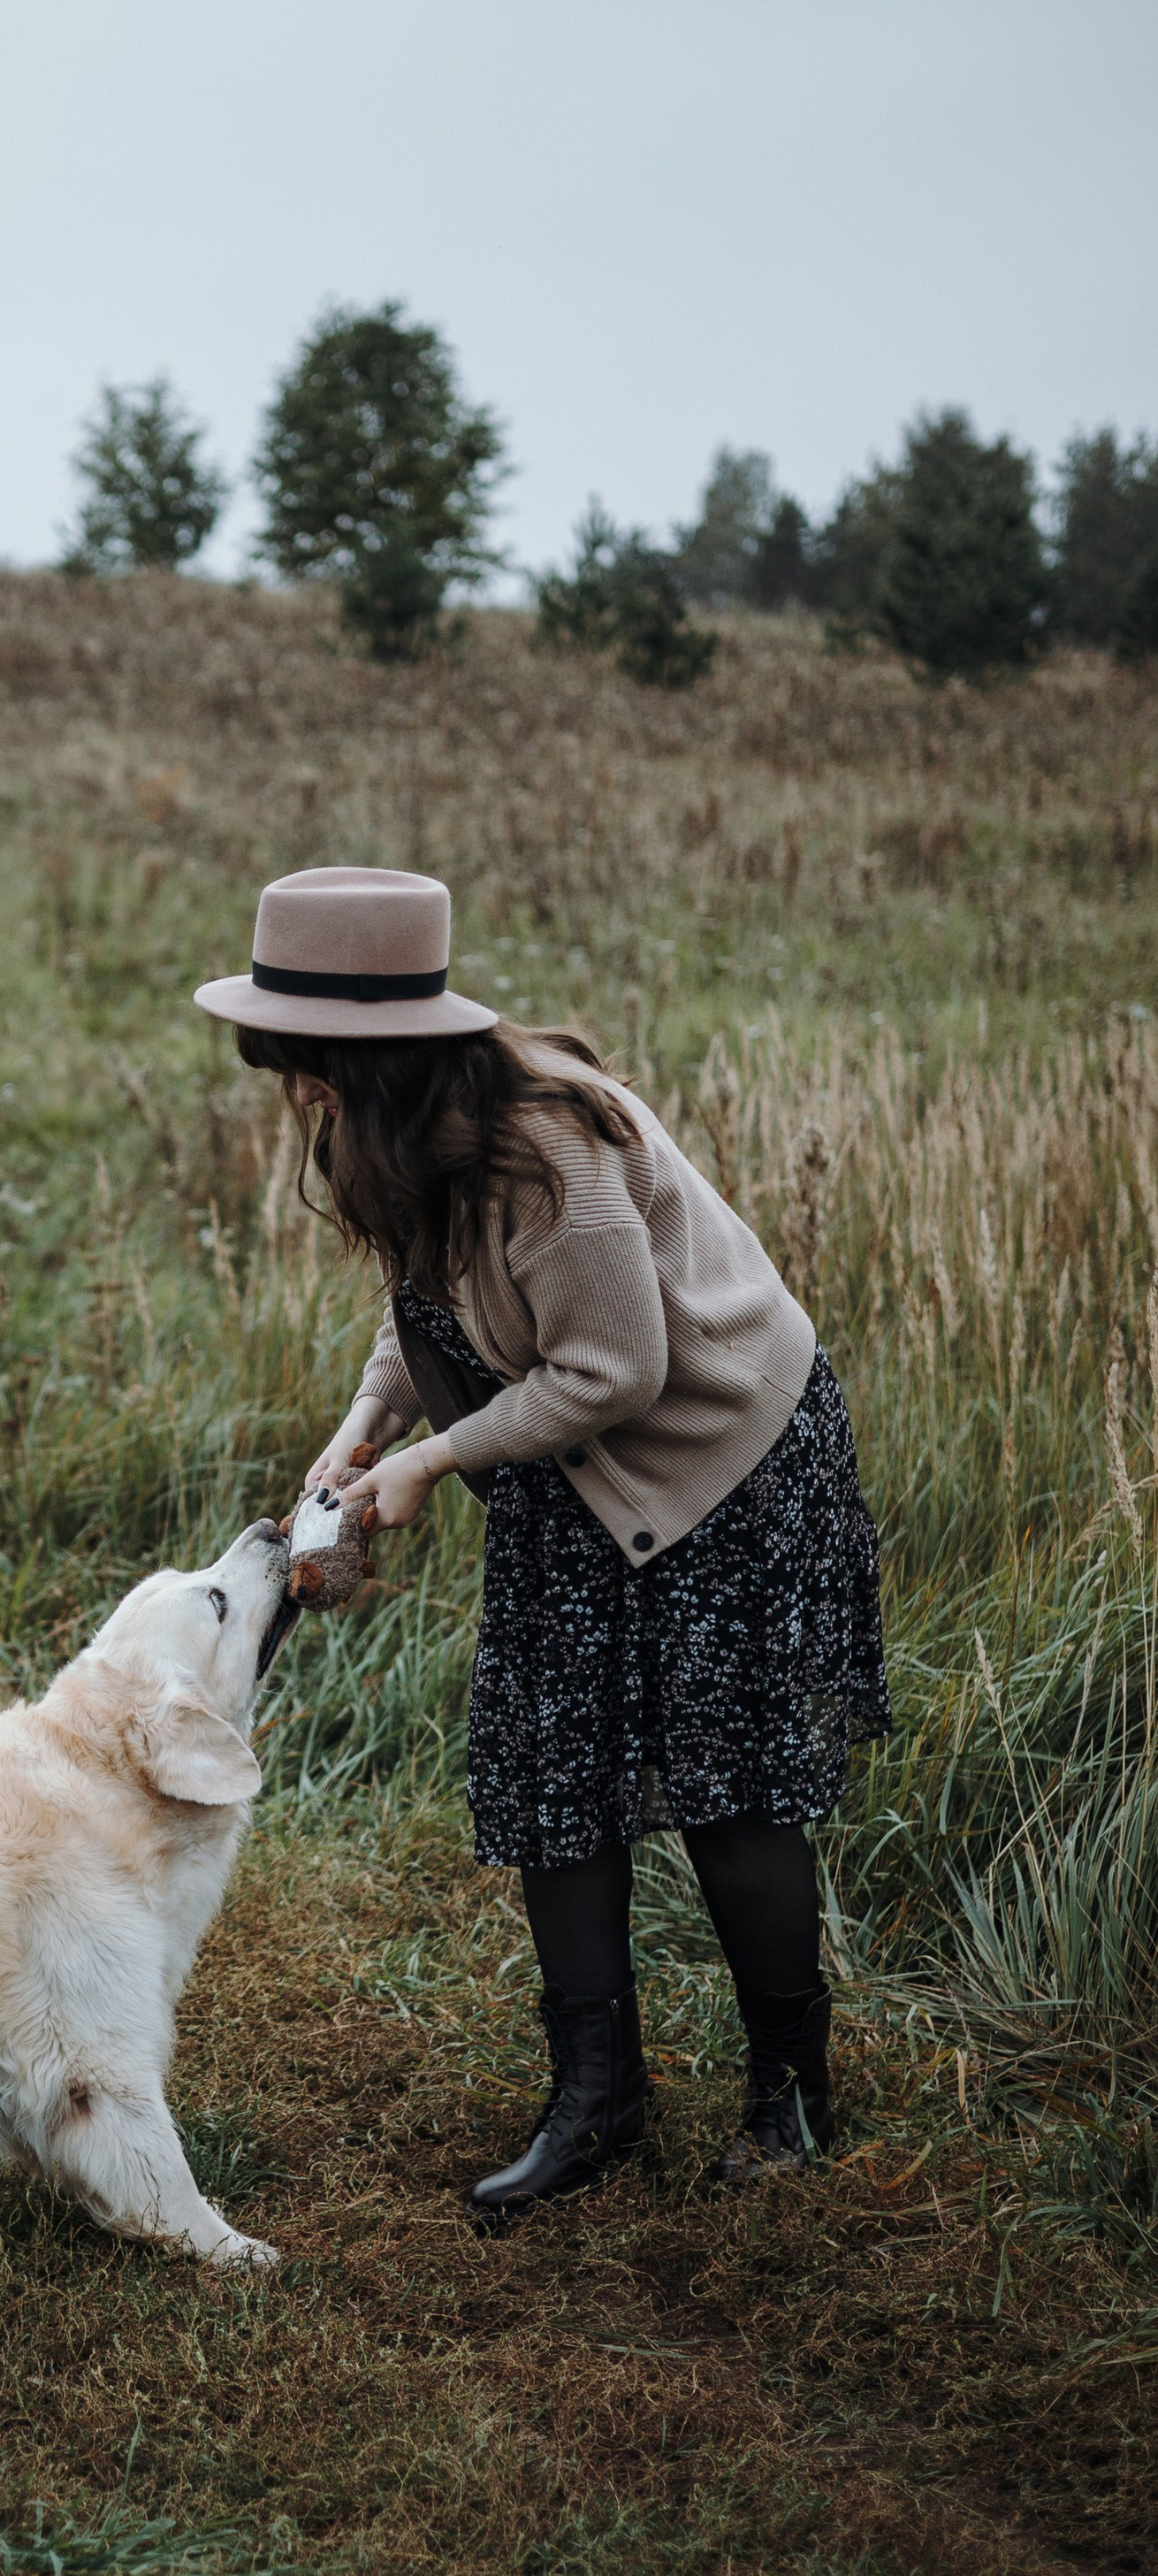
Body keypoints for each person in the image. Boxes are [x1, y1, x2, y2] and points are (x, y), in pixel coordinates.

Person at [194, 867, 888, 2221]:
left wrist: (434, 1460)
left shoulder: (549, 1147)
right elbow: (426, 1305)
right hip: (566, 1472)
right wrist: (363, 1430)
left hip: (720, 1464)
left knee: (731, 1786)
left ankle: (790, 2102)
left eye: (304, 1066)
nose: (295, 1097)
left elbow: (619, 1367)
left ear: (366, 1056)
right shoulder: (400, 1133)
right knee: (551, 1768)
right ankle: (598, 2099)